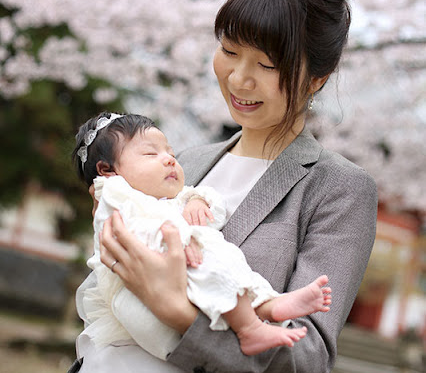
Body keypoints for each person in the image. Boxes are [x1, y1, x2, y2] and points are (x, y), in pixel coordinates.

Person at [21, 0, 378, 373]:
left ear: (316, 79)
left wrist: (177, 313)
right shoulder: (180, 158)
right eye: (229, 50)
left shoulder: (336, 188)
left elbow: (307, 357)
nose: (239, 78)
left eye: (267, 65)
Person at [72, 111, 331, 358]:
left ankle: (269, 306)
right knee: (211, 268)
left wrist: (197, 200)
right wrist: (178, 240)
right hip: (149, 282)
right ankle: (252, 325)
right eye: (151, 153)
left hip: (183, 264)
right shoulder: (114, 194)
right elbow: (130, 231)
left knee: (229, 263)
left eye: (170, 152)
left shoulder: (168, 198)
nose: (170, 159)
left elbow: (215, 213)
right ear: (107, 170)